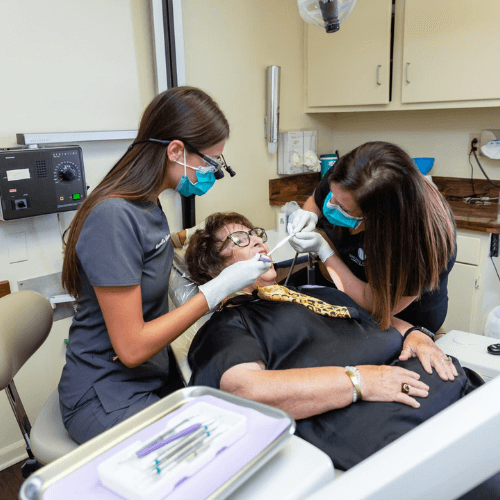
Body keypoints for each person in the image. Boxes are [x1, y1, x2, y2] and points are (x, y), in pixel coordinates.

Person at [185, 212, 480, 472]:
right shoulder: (229, 323)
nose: (258, 242)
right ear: (215, 271)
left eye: (255, 234)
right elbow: (246, 390)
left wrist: (416, 334)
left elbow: (377, 317)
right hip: (379, 414)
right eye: (239, 239)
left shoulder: (312, 291)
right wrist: (359, 380)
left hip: (441, 384)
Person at [58, 87, 271, 444]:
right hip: (105, 392)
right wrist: (219, 287)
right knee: (209, 451)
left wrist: (186, 236)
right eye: (210, 162)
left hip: (149, 374)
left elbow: (144, 248)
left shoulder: (148, 202)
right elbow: (132, 348)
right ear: (175, 150)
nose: (212, 173)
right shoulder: (113, 216)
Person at [287, 141, 456, 333]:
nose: (331, 205)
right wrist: (309, 214)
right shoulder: (351, 176)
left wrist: (325, 252)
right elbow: (318, 199)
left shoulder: (421, 241)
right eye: (332, 195)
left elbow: (376, 305)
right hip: (344, 296)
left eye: (343, 208)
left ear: (378, 222)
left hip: (401, 320)